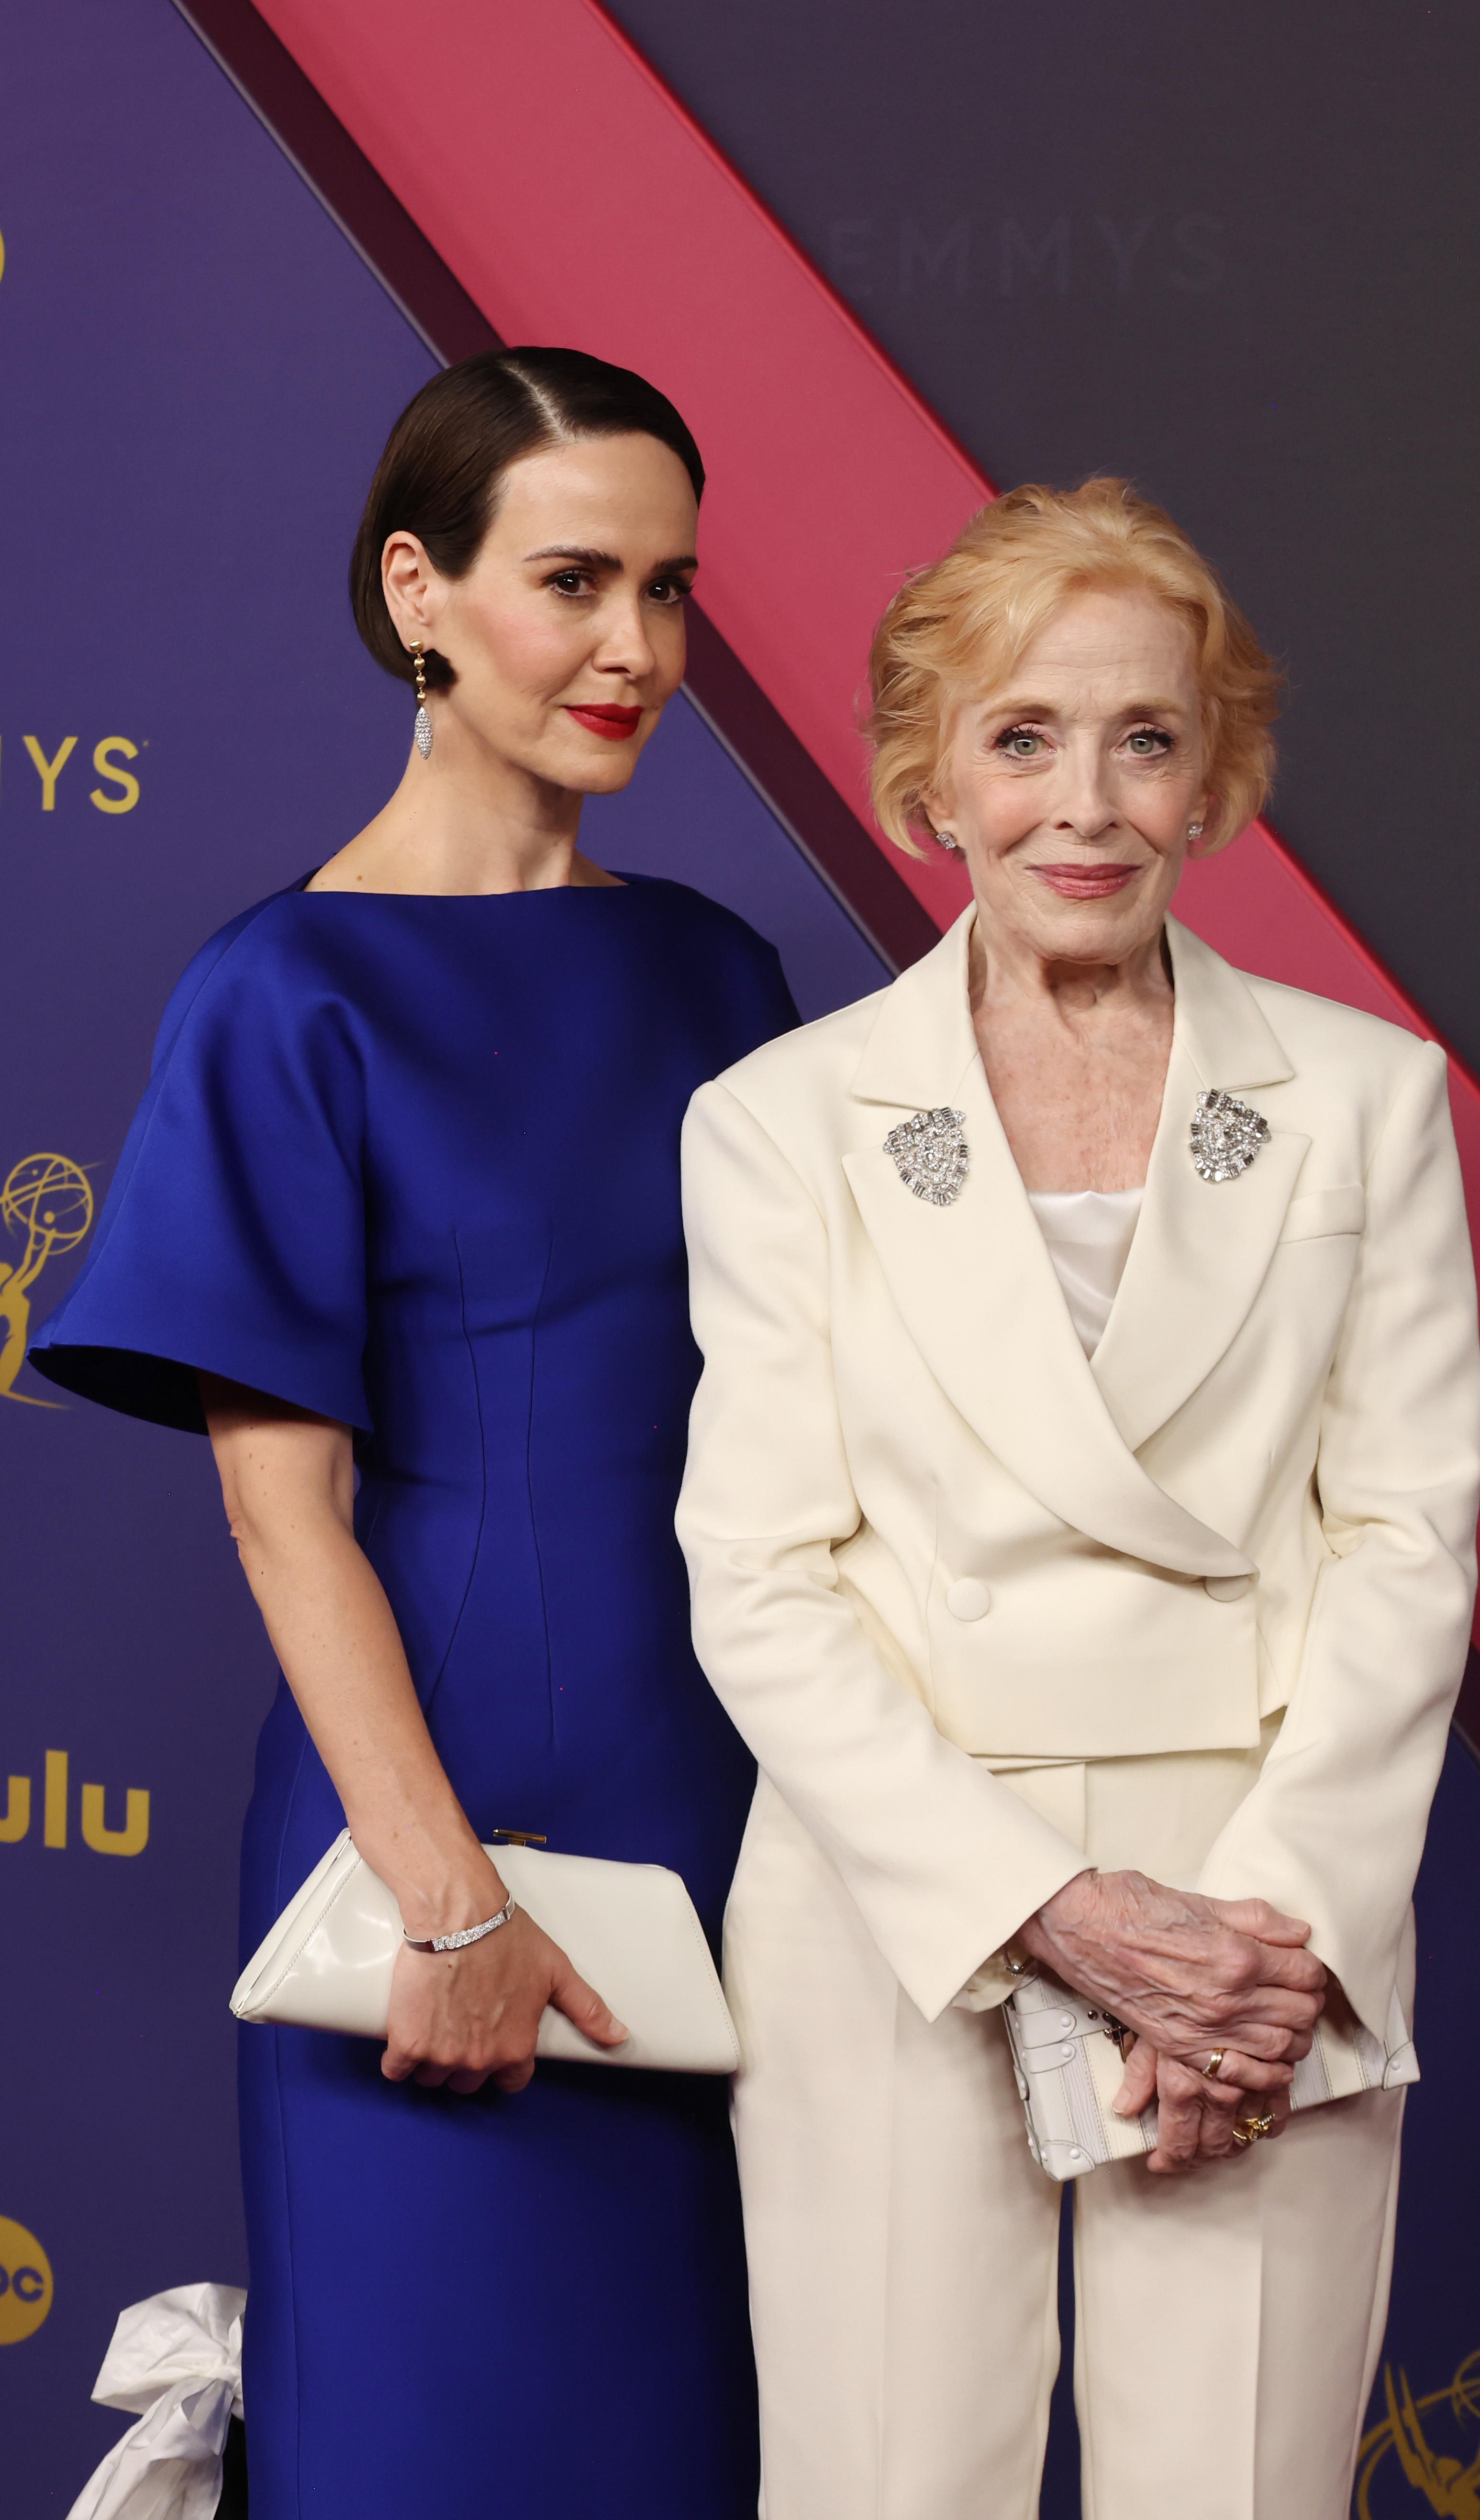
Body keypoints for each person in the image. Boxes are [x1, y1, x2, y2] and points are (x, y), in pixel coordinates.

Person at [30, 347, 797, 2519]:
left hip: (749, 1845)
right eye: (572, 580)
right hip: (435, 1854)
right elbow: (285, 1519)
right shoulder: (284, 995)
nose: (635, 650)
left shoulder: (726, 976)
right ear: (418, 590)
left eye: (668, 589)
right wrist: (445, 1902)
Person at [675, 478, 1480, 2520]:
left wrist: (1256, 1955)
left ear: (1214, 776)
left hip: (1254, 1904)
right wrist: (1047, 1913)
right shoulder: (779, 1126)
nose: (1085, 800)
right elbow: (757, 1577)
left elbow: (1404, 1539)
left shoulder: (1363, 1094)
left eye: (1144, 736)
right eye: (1022, 737)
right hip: (901, 1901)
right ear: (922, 780)